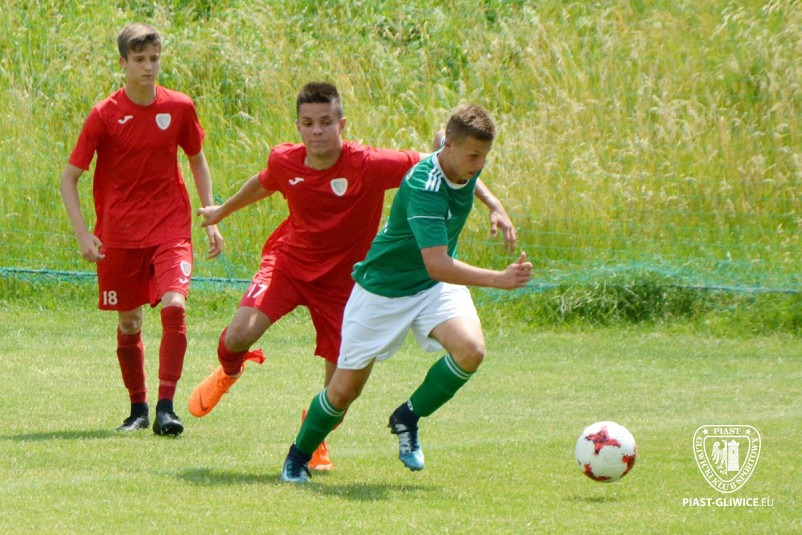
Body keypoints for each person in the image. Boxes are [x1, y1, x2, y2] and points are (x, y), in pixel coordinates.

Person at [188, 83, 516, 471]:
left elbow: (445, 158)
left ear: (341, 124)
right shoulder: (284, 159)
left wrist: (493, 203)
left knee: (341, 394)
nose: (317, 131)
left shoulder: (370, 163)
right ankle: (230, 370)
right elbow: (265, 182)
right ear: (298, 126)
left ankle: (314, 441)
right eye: (308, 123)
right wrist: (222, 210)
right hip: (290, 263)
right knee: (237, 336)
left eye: (326, 122)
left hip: (345, 283)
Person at [280, 103, 533, 483]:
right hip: (384, 289)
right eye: (473, 156)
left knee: (471, 350)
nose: (479, 164)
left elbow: (440, 137)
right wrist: (500, 279)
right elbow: (437, 263)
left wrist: (493, 204)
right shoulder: (424, 187)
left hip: (432, 288)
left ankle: (407, 417)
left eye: (484, 156)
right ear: (451, 148)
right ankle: (297, 456)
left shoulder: (457, 154)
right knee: (343, 392)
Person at [60, 23, 223, 436]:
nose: (148, 67)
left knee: (175, 305)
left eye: (154, 59)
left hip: (170, 226)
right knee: (130, 322)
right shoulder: (104, 114)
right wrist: (83, 233)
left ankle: (167, 407)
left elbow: (197, 158)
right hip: (119, 235)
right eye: (139, 60)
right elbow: (69, 177)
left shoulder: (180, 107)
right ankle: (138, 408)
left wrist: (211, 214)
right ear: (123, 63)